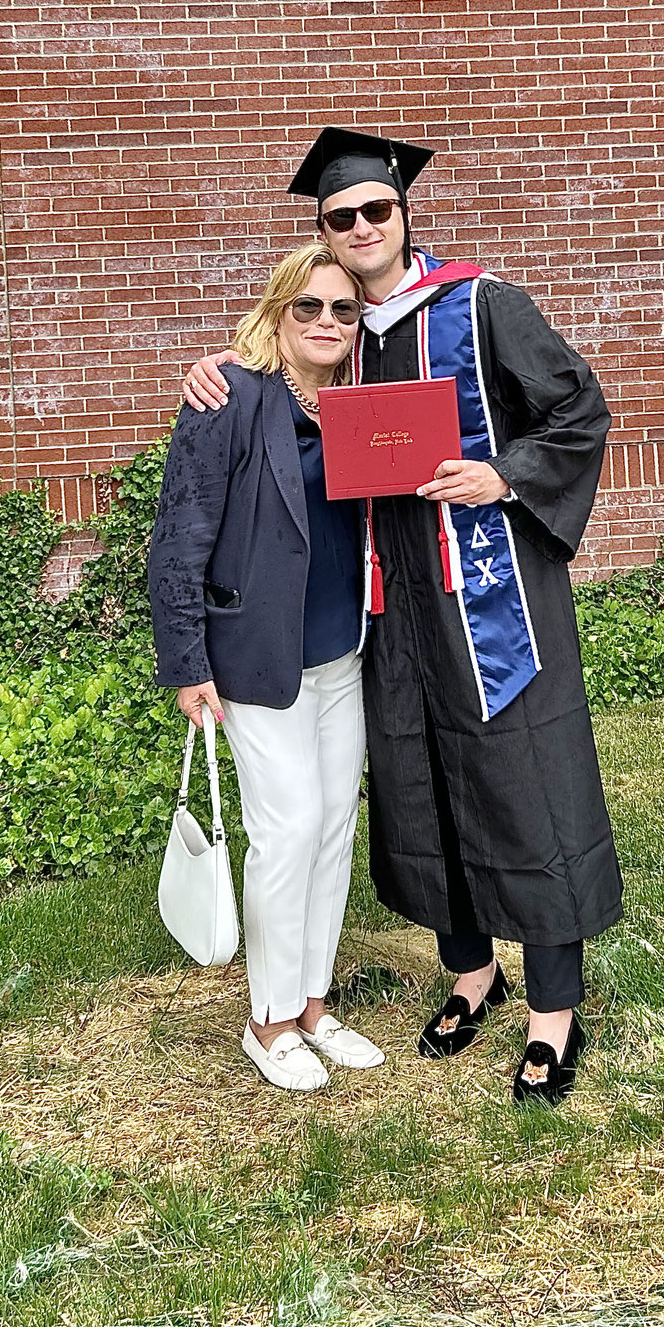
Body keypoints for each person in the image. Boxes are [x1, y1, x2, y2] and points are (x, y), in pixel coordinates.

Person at [183, 128, 621, 1106]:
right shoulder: (342, 329)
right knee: (424, 785)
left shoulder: (481, 303)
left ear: (404, 213)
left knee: (525, 784)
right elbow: (274, 379)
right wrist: (219, 361)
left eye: (377, 209)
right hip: (390, 606)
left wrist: (502, 474)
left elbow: (579, 410)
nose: (363, 228)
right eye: (342, 217)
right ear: (325, 234)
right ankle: (473, 973)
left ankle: (554, 1009)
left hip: (492, 588)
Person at [149, 242, 387, 1093]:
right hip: (256, 657)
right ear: (279, 311)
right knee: (283, 837)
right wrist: (185, 661)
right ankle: (268, 1021)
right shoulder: (229, 396)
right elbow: (179, 532)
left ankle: (314, 1004)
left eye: (343, 310)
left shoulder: (360, 405)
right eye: (309, 308)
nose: (327, 322)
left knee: (330, 832)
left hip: (341, 653)